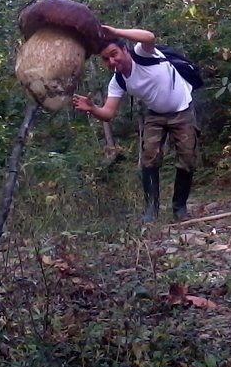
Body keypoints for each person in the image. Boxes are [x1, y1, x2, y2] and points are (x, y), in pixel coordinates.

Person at [72, 25, 199, 222]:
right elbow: (107, 113)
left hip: (182, 110)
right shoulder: (118, 81)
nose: (112, 61)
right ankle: (151, 209)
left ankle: (179, 207)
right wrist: (92, 108)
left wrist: (114, 32)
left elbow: (149, 36)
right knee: (149, 157)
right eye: (106, 59)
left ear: (124, 49)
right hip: (155, 115)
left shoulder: (143, 54)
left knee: (187, 158)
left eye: (114, 54)